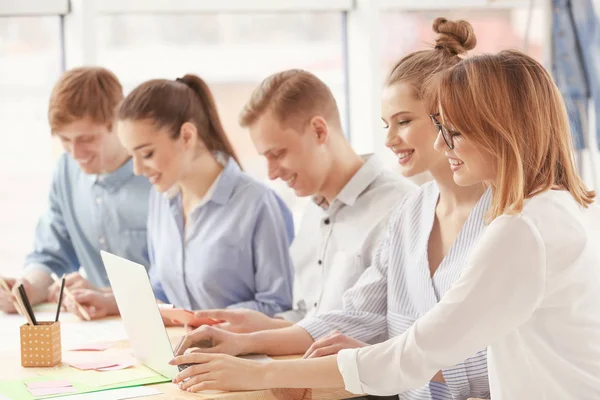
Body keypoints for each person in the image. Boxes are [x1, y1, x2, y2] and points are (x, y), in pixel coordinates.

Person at [171, 50, 600, 399]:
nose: (439, 143)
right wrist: (252, 345)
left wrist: (256, 375)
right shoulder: (554, 209)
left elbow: (420, 354)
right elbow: (375, 325)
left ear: (499, 131)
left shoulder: (520, 228)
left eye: (452, 132)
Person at [170, 18, 492, 400]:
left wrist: (268, 371)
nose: (389, 139)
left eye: (403, 122)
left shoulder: (501, 221)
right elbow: (356, 314)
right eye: (387, 124)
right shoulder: (411, 212)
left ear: (449, 120)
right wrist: (243, 344)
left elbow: (490, 360)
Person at [187, 69, 415, 334]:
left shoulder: (402, 209)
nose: (271, 173)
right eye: (265, 158)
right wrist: (267, 326)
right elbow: (309, 316)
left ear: (319, 131)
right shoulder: (312, 212)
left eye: (278, 153)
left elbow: (397, 338)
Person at [66, 74, 295, 319]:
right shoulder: (162, 199)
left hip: (244, 356)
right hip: (181, 351)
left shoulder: (258, 204)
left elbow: (279, 307)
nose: (138, 170)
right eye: (132, 156)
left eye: (147, 154)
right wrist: (110, 301)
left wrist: (203, 321)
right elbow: (161, 290)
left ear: (187, 136)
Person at [0, 67, 151, 313]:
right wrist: (28, 288)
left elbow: (177, 282)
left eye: (87, 139)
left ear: (118, 122)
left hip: (164, 325)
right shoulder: (66, 169)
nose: (76, 154)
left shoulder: (158, 177)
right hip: (97, 328)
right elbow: (52, 253)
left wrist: (108, 297)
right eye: (65, 140)